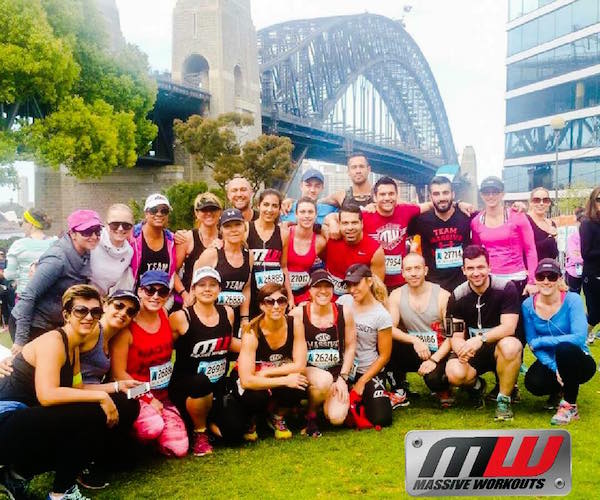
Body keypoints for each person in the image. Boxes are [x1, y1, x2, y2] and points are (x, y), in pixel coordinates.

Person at [0, 285, 119, 500]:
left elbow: (77, 389)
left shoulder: (73, 346)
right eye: (81, 310)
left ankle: (17, 475)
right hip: (6, 419)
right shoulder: (53, 342)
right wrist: (102, 397)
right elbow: (47, 395)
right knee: (88, 414)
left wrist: (117, 388)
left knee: (88, 414)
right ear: (66, 315)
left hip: (23, 419)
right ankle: (60, 493)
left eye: (95, 312)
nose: (89, 317)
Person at [110, 270, 189, 457]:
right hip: (134, 395)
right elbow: (118, 375)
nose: (155, 296)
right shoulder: (126, 328)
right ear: (139, 291)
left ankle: (156, 437)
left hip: (162, 396)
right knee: (152, 428)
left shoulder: (164, 314)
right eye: (150, 290)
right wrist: (147, 398)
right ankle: (129, 439)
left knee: (178, 449)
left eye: (162, 292)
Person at [169, 267, 244, 456]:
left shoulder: (227, 312)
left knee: (235, 434)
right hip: (189, 387)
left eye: (212, 285)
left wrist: (255, 345)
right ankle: (199, 432)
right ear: (193, 289)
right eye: (202, 285)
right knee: (200, 381)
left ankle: (207, 421)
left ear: (219, 289)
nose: (207, 289)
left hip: (217, 387)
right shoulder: (181, 317)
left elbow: (227, 342)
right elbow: (165, 348)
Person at [445, 245, 522, 421]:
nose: (476, 273)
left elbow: (509, 327)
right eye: (470, 268)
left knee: (511, 345)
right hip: (472, 350)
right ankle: (478, 387)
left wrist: (481, 339)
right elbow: (454, 335)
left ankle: (504, 400)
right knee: (454, 372)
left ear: (489, 267)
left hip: (499, 347)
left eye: (480, 267)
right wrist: (461, 350)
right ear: (463, 270)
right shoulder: (456, 295)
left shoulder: (506, 288)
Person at [9, 209, 103, 353]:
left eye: (97, 231)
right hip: (32, 325)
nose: (94, 236)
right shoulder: (57, 260)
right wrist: (21, 340)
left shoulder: (85, 252)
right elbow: (28, 296)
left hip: (54, 325)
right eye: (87, 232)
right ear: (73, 233)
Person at [522, 259, 596, 424]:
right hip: (552, 360)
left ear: (560, 279)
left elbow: (579, 337)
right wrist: (554, 367)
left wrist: (543, 341)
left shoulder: (572, 300)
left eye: (552, 277)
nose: (546, 281)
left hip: (579, 359)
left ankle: (570, 406)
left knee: (565, 348)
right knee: (533, 383)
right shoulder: (527, 305)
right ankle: (558, 391)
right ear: (535, 279)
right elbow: (532, 342)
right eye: (541, 277)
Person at [237, 283, 308, 440]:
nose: (276, 306)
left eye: (281, 301)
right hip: (256, 379)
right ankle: (252, 419)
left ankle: (277, 416)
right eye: (270, 301)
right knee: (256, 396)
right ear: (261, 305)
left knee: (299, 382)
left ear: (286, 303)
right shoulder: (251, 331)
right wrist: (285, 380)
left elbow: (300, 365)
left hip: (269, 373)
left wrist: (268, 372)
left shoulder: (295, 323)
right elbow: (246, 380)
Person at [289, 269, 356, 437]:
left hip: (335, 373)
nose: (323, 291)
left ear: (333, 290)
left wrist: (343, 378)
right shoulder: (298, 314)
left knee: (336, 418)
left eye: (327, 287)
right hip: (307, 370)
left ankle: (322, 402)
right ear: (310, 290)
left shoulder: (345, 312)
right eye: (318, 287)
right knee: (323, 380)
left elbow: (350, 347)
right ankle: (311, 416)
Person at [386, 253, 453, 408]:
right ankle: (399, 389)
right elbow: (389, 328)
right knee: (386, 342)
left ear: (426, 270)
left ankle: (444, 387)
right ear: (403, 273)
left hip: (440, 351)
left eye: (417, 268)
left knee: (434, 380)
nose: (413, 273)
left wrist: (434, 360)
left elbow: (452, 335)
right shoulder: (396, 295)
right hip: (416, 348)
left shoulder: (443, 296)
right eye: (409, 269)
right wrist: (415, 340)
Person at [337, 264, 393, 428]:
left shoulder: (381, 315)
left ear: (369, 281)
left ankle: (376, 396)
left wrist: (362, 381)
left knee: (382, 418)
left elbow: (384, 356)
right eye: (349, 285)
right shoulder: (343, 302)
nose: (352, 290)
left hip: (367, 369)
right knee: (337, 416)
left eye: (356, 284)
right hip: (343, 368)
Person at [471, 176, 538, 297]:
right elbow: (477, 253)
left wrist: (532, 281)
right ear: (481, 195)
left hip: (516, 278)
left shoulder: (517, 216)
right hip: (490, 279)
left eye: (495, 192)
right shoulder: (476, 221)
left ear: (502, 194)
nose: (491, 196)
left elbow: (530, 250)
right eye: (486, 192)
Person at [194, 208, 253, 337]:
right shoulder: (211, 254)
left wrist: (244, 318)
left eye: (237, 224)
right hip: (211, 318)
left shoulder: (249, 255)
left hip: (236, 317)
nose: (233, 230)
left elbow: (246, 287)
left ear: (244, 227)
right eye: (228, 226)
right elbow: (194, 288)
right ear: (221, 230)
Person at [408, 176, 472, 292]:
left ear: (453, 194)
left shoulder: (467, 216)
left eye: (445, 193)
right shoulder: (421, 220)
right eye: (436, 194)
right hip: (433, 287)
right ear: (430, 197)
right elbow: (397, 215)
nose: (441, 198)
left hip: (464, 285)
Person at [324, 204, 385, 297]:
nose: (350, 227)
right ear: (339, 224)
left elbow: (377, 289)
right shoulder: (329, 236)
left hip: (358, 299)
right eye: (345, 223)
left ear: (362, 224)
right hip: (328, 298)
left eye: (354, 223)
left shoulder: (375, 250)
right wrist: (331, 221)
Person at [175, 192, 223, 304]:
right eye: (204, 210)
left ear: (220, 212)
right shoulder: (187, 238)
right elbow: (173, 272)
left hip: (218, 298)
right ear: (196, 213)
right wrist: (184, 294)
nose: (209, 213)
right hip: (191, 298)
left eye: (213, 209)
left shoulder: (226, 238)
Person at [248, 189, 287, 316]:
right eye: (266, 204)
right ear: (258, 205)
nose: (269, 210)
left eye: (274, 206)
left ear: (279, 209)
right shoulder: (246, 229)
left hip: (274, 297)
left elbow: (284, 267)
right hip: (251, 293)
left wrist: (290, 296)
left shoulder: (283, 234)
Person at [282, 198, 327, 305]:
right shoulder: (285, 233)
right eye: (302, 212)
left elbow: (327, 263)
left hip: (304, 294)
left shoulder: (320, 242)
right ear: (296, 215)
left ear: (316, 215)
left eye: (310, 212)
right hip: (281, 292)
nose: (307, 216)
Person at [4, 208, 56, 297]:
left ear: (30, 224)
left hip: (25, 294)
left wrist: (21, 276)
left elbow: (9, 274)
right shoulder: (55, 243)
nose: (21, 226)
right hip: (49, 295)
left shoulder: (18, 245)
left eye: (22, 223)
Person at [130, 193, 177, 287]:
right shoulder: (132, 237)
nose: (159, 214)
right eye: (153, 210)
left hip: (162, 293)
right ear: (146, 213)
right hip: (135, 292)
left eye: (164, 211)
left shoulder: (172, 240)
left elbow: (175, 271)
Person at [90, 204, 135, 296]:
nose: (120, 229)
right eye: (115, 224)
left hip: (103, 299)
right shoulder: (92, 241)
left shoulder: (129, 252)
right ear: (106, 225)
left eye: (126, 225)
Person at [580, 186, 600, 331]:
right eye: (599, 199)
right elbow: (585, 253)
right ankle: (580, 337)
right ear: (593, 201)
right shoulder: (587, 223)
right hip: (594, 276)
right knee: (595, 315)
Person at [526, 187, 558, 261]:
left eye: (545, 200)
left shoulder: (551, 224)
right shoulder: (525, 221)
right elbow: (527, 250)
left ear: (549, 203)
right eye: (537, 200)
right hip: (529, 266)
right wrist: (550, 239)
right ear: (530, 202)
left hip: (547, 267)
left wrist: (553, 240)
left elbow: (554, 254)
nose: (541, 203)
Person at [565, 208, 584, 294]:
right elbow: (575, 258)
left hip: (589, 272)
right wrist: (587, 257)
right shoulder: (572, 238)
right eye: (581, 221)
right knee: (573, 297)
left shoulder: (593, 237)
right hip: (573, 272)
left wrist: (581, 255)